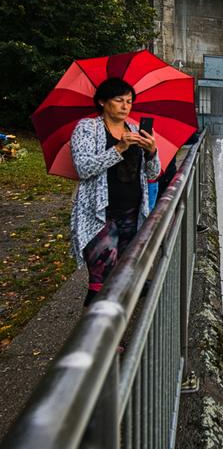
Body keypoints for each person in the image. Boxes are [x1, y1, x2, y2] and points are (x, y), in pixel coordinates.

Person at [70, 78, 161, 306]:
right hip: (99, 215)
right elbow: (83, 167)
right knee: (101, 279)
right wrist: (119, 148)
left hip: (131, 213)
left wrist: (151, 151)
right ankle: (96, 338)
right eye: (119, 100)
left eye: (129, 101)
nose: (125, 106)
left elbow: (152, 173)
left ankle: (113, 326)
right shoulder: (87, 128)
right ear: (102, 102)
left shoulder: (134, 129)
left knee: (122, 273)